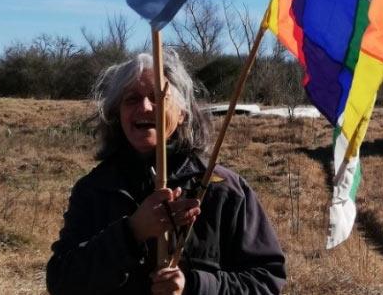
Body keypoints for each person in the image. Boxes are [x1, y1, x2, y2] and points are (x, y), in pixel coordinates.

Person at [46, 52, 286, 295]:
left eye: (158, 97)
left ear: (182, 113)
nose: (145, 107)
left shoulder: (224, 190)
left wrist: (195, 285)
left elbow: (267, 279)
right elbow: (61, 282)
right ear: (117, 113)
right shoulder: (94, 189)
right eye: (131, 99)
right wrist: (132, 233)